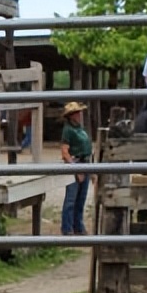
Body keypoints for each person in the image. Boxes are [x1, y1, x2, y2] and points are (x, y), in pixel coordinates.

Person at [59, 100, 93, 236]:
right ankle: (67, 227)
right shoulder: (68, 130)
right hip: (76, 162)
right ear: (71, 115)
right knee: (71, 199)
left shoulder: (80, 128)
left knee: (81, 198)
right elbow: (65, 152)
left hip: (85, 162)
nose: (80, 115)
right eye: (77, 113)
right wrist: (75, 169)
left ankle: (78, 225)